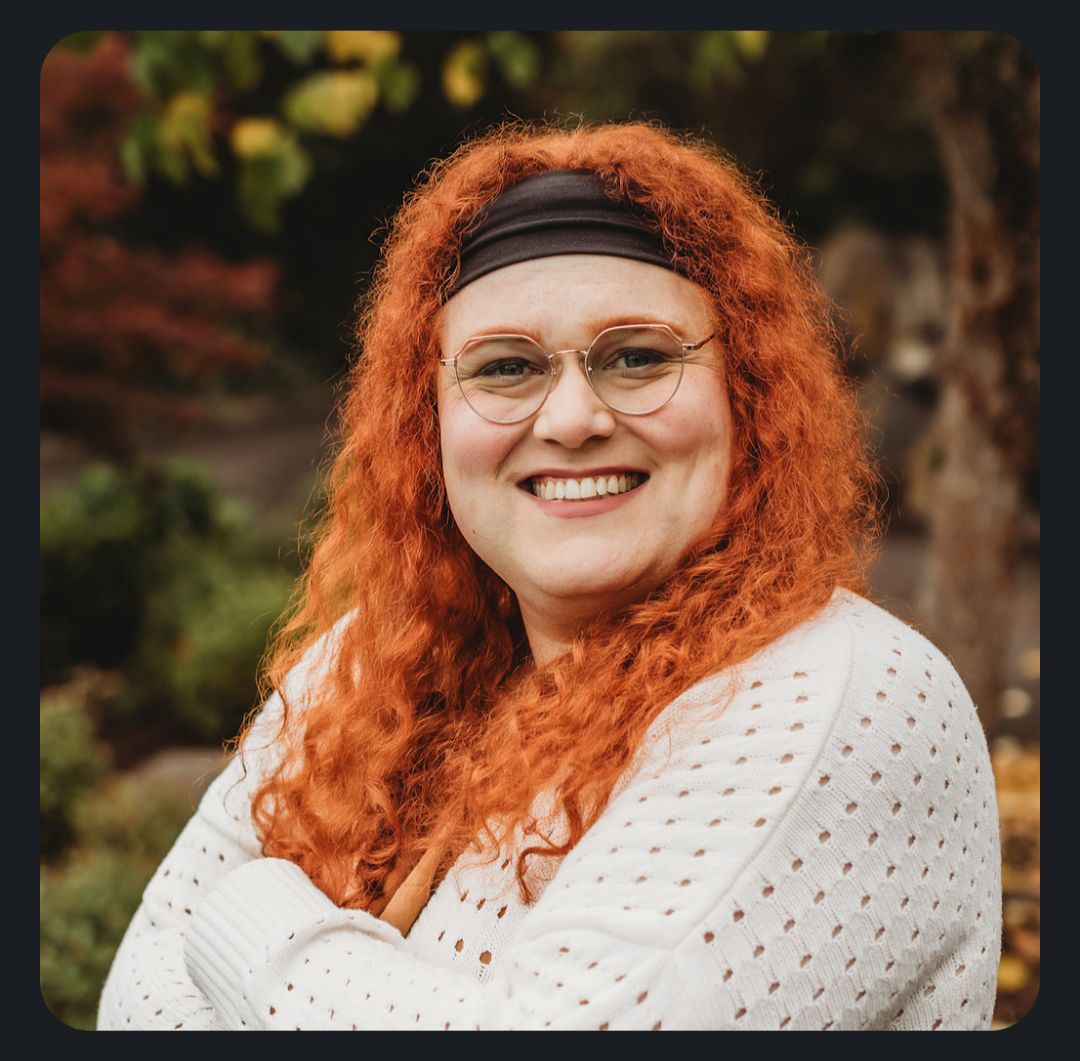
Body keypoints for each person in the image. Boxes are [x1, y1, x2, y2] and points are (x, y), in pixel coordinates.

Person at [97, 121, 1002, 1031]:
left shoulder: (850, 693)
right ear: (426, 421)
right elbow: (134, 1001)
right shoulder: (375, 662)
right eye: (506, 367)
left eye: (638, 356)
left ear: (748, 393)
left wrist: (248, 915)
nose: (571, 418)